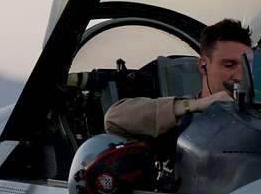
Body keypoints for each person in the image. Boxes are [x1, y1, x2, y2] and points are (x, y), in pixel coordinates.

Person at [104, 18, 253, 139]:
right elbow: (114, 118)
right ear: (203, 65)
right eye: (229, 65)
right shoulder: (182, 116)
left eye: (247, 67)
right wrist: (196, 105)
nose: (240, 76)